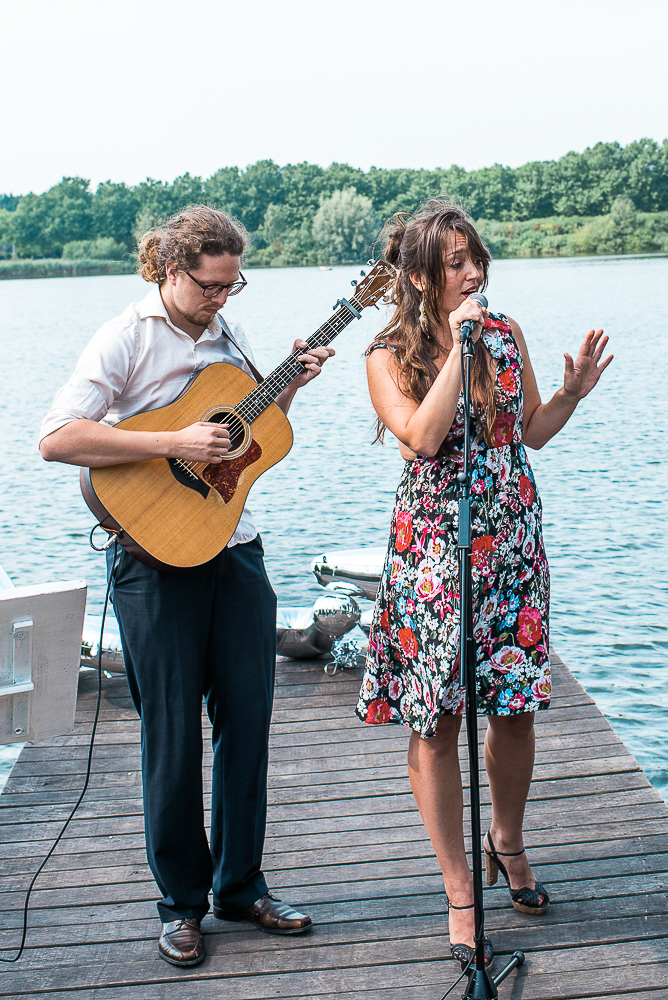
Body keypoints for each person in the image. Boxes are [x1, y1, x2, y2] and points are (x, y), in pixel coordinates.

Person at [39, 205, 335, 967]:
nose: (222, 300)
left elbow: (246, 441)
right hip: (151, 559)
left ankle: (242, 886)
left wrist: (290, 385)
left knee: (248, 722)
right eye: (210, 287)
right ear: (171, 271)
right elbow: (58, 438)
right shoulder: (125, 337)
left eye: (233, 287)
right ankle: (180, 905)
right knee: (171, 734)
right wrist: (172, 439)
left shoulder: (227, 337)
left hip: (234, 550)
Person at [356, 201, 612, 970]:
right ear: (423, 275)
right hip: (435, 547)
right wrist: (460, 345)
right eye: (457, 262)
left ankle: (508, 839)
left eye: (478, 259)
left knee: (515, 708)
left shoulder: (506, 333)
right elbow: (423, 437)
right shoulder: (388, 353)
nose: (474, 273)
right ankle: (459, 885)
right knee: (435, 719)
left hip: (510, 541)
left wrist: (569, 397)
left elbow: (527, 429)